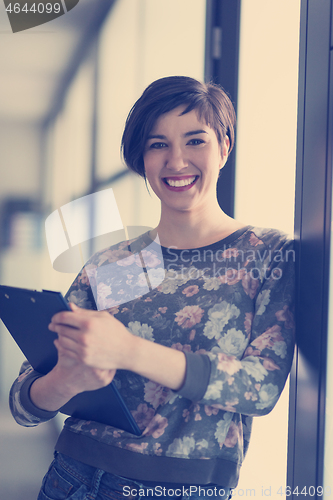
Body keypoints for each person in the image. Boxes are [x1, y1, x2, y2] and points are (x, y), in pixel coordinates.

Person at [10, 76, 295, 500]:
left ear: (224, 147)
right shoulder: (114, 264)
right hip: (72, 479)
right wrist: (67, 380)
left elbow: (261, 386)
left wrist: (129, 352)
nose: (176, 161)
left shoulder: (267, 254)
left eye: (195, 141)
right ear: (141, 158)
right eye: (158, 144)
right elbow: (23, 403)